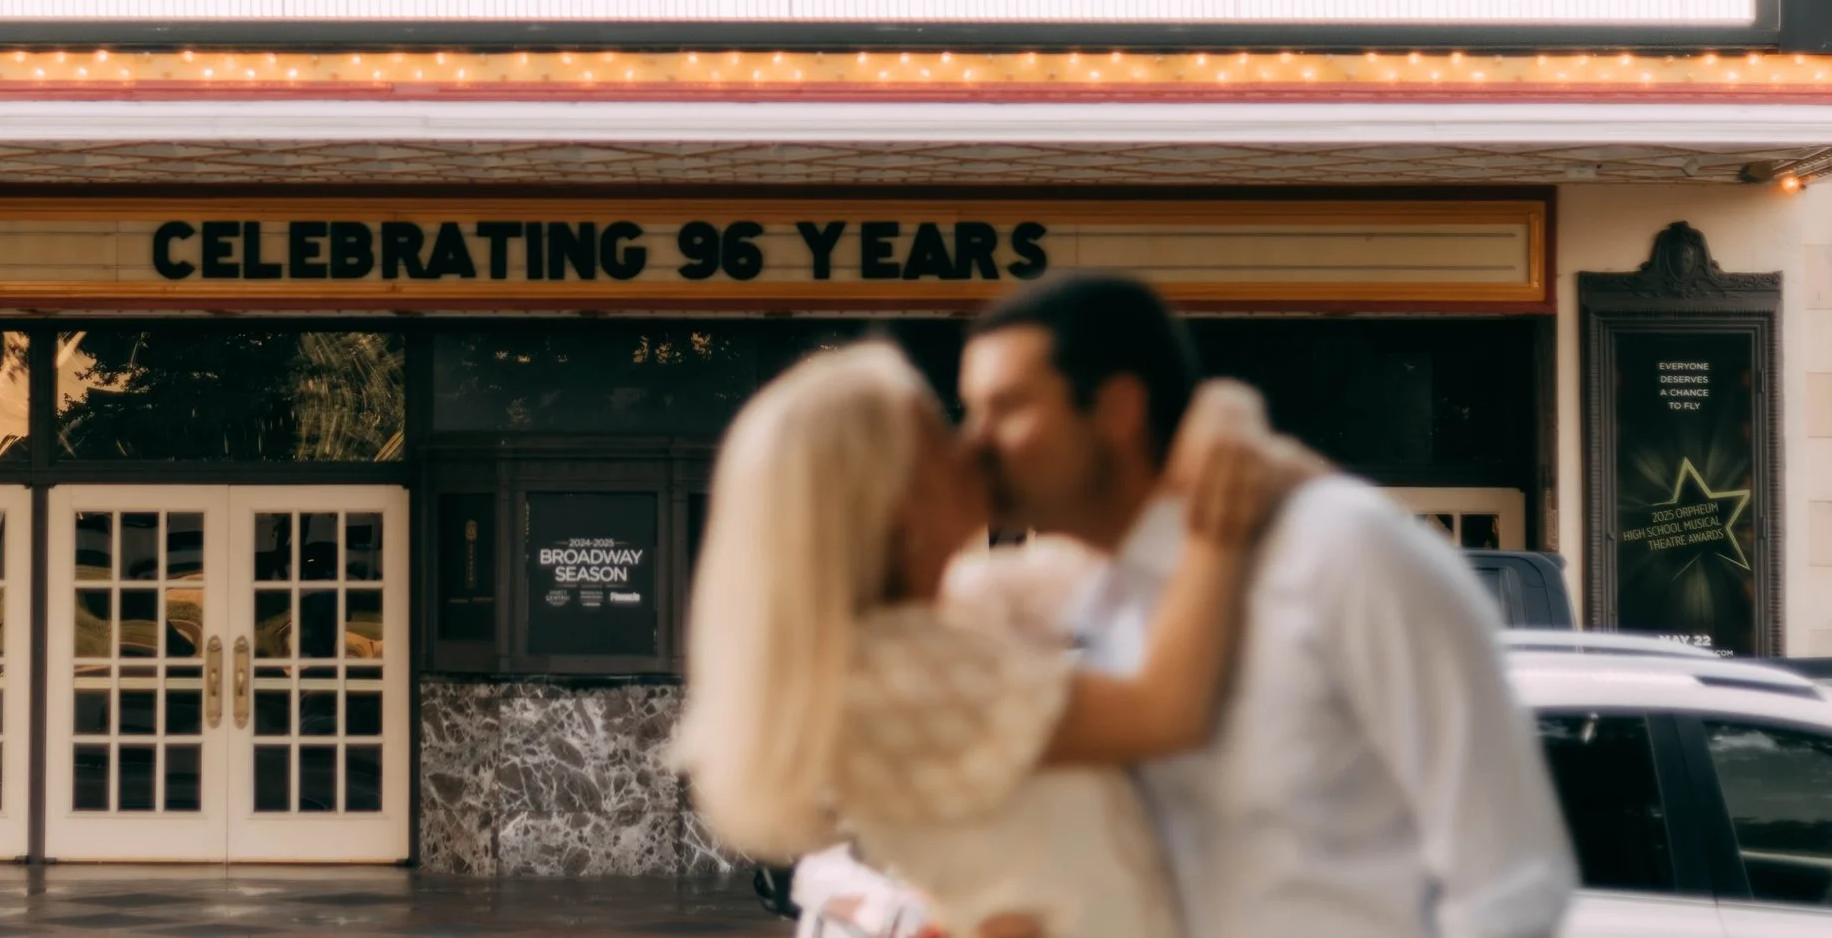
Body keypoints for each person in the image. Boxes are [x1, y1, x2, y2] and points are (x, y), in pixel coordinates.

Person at [955, 275, 1576, 938]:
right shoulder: (1080, 601)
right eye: (971, 411)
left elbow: (1509, 884)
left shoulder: (1344, 554)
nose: (973, 444)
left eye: (1007, 407)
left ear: (1118, 409)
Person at [672, 340, 1309, 938]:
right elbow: (1168, 711)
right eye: (943, 440)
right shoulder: (897, 673)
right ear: (897, 503)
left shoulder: (938, 613)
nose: (977, 445)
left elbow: (1090, 578)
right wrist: (1217, 518)